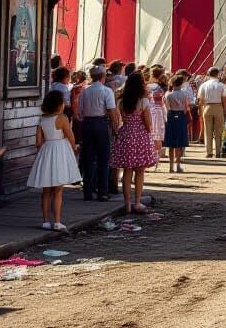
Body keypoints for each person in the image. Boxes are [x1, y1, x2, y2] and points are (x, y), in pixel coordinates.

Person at [27, 90, 81, 231]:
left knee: (46, 190)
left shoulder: (42, 119)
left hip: (47, 149)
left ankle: (45, 221)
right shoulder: (62, 118)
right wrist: (74, 147)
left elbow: (38, 142)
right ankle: (57, 221)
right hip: (60, 150)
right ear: (59, 105)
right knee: (58, 189)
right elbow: (70, 136)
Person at [110, 72, 158, 213]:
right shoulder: (143, 101)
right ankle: (137, 202)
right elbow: (148, 122)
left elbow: (119, 120)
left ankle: (127, 204)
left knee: (127, 171)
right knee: (140, 170)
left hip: (125, 134)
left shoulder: (121, 101)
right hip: (140, 135)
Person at [77, 63, 120, 202]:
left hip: (87, 124)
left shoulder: (85, 91)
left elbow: (80, 111)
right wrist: (115, 128)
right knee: (103, 159)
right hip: (101, 123)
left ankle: (87, 191)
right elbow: (112, 111)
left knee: (88, 158)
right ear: (102, 76)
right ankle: (102, 192)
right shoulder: (106, 91)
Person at [163, 74, 191, 173]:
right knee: (180, 143)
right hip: (181, 116)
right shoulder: (185, 94)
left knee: (171, 143)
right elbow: (187, 106)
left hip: (171, 116)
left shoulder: (168, 94)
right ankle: (178, 165)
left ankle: (171, 166)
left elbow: (166, 106)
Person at [198, 67, 226, 159]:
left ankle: (209, 151)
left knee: (208, 130)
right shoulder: (222, 85)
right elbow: (224, 99)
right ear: (218, 74)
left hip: (207, 106)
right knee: (219, 131)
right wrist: (225, 110)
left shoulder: (204, 85)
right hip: (218, 106)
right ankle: (218, 151)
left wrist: (200, 109)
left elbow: (201, 99)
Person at [147, 68, 168, 168]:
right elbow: (160, 102)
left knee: (149, 134)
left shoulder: (146, 86)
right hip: (157, 112)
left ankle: (149, 157)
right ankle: (155, 159)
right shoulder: (159, 88)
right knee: (158, 136)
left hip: (147, 111)